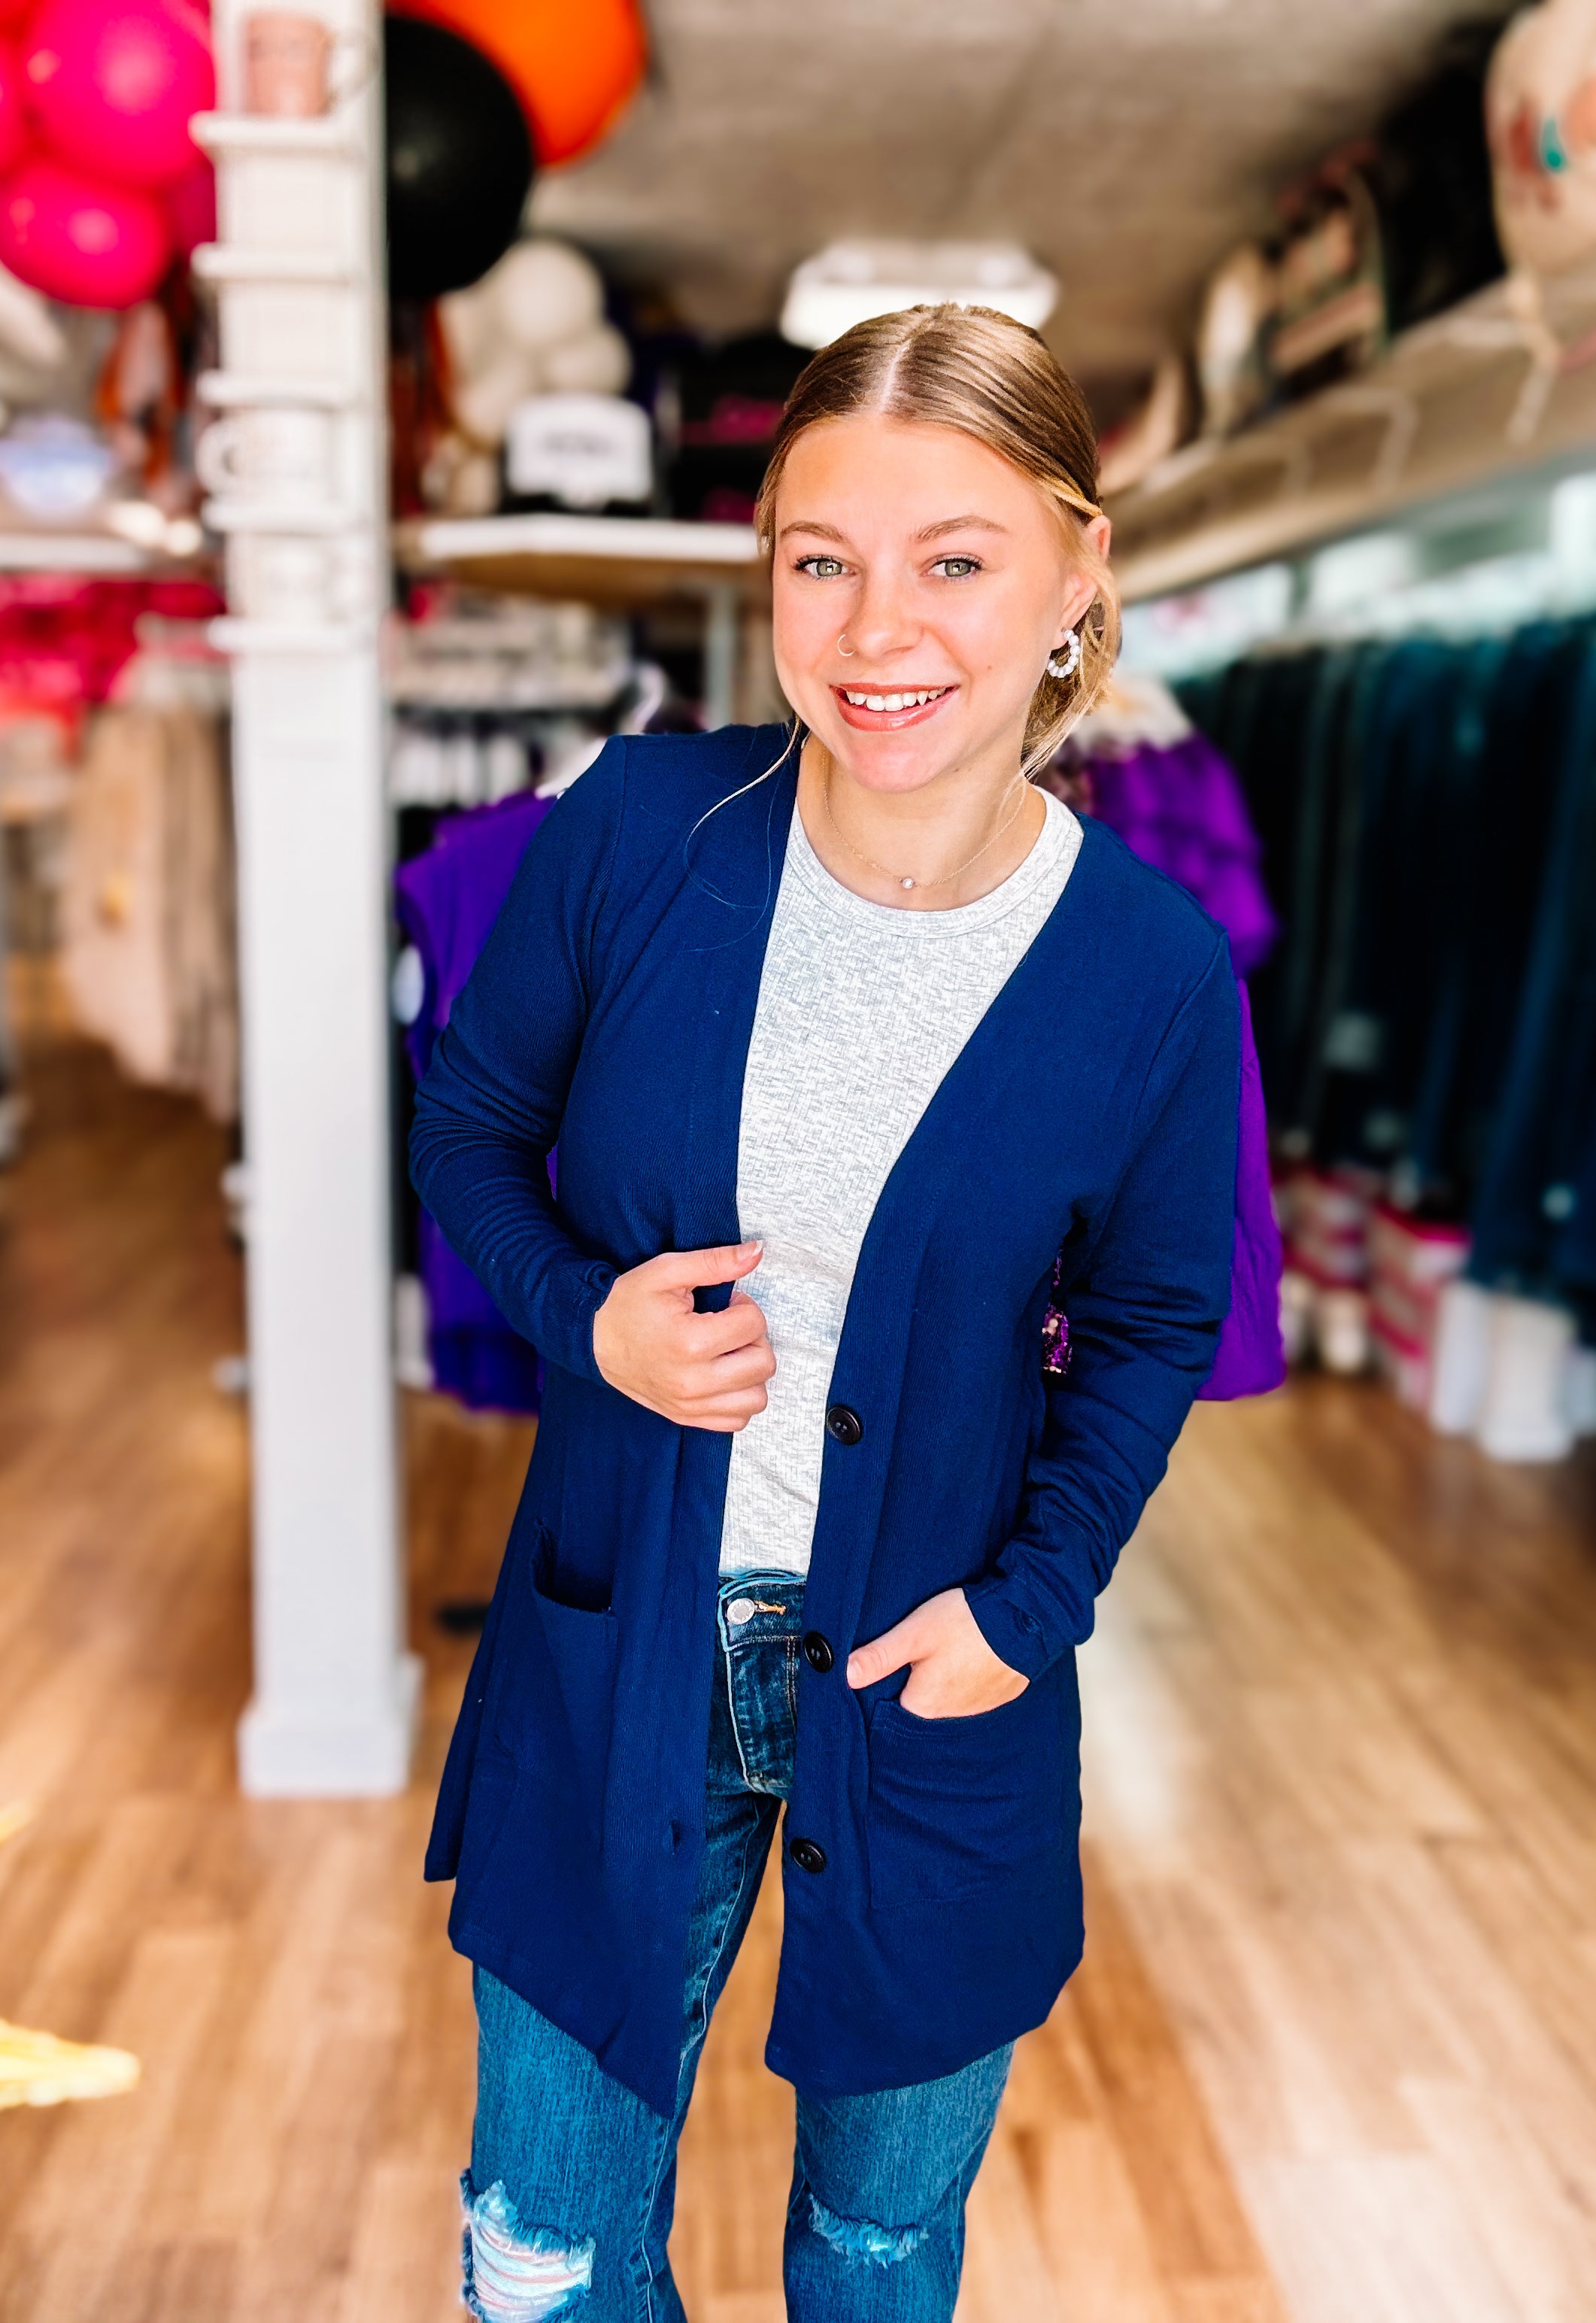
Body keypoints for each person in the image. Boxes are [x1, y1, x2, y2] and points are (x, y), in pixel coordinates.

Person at [411, 303, 1239, 2323]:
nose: (878, 628)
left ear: (1073, 572)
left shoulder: (1146, 971)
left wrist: (1029, 1606)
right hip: (620, 1642)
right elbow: (469, 1132)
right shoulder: (632, 837)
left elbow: (1147, 1327)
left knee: (875, 2245)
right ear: (764, 566)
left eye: (954, 558)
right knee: (538, 2247)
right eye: (819, 558)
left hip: (929, 1668)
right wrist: (583, 1323)